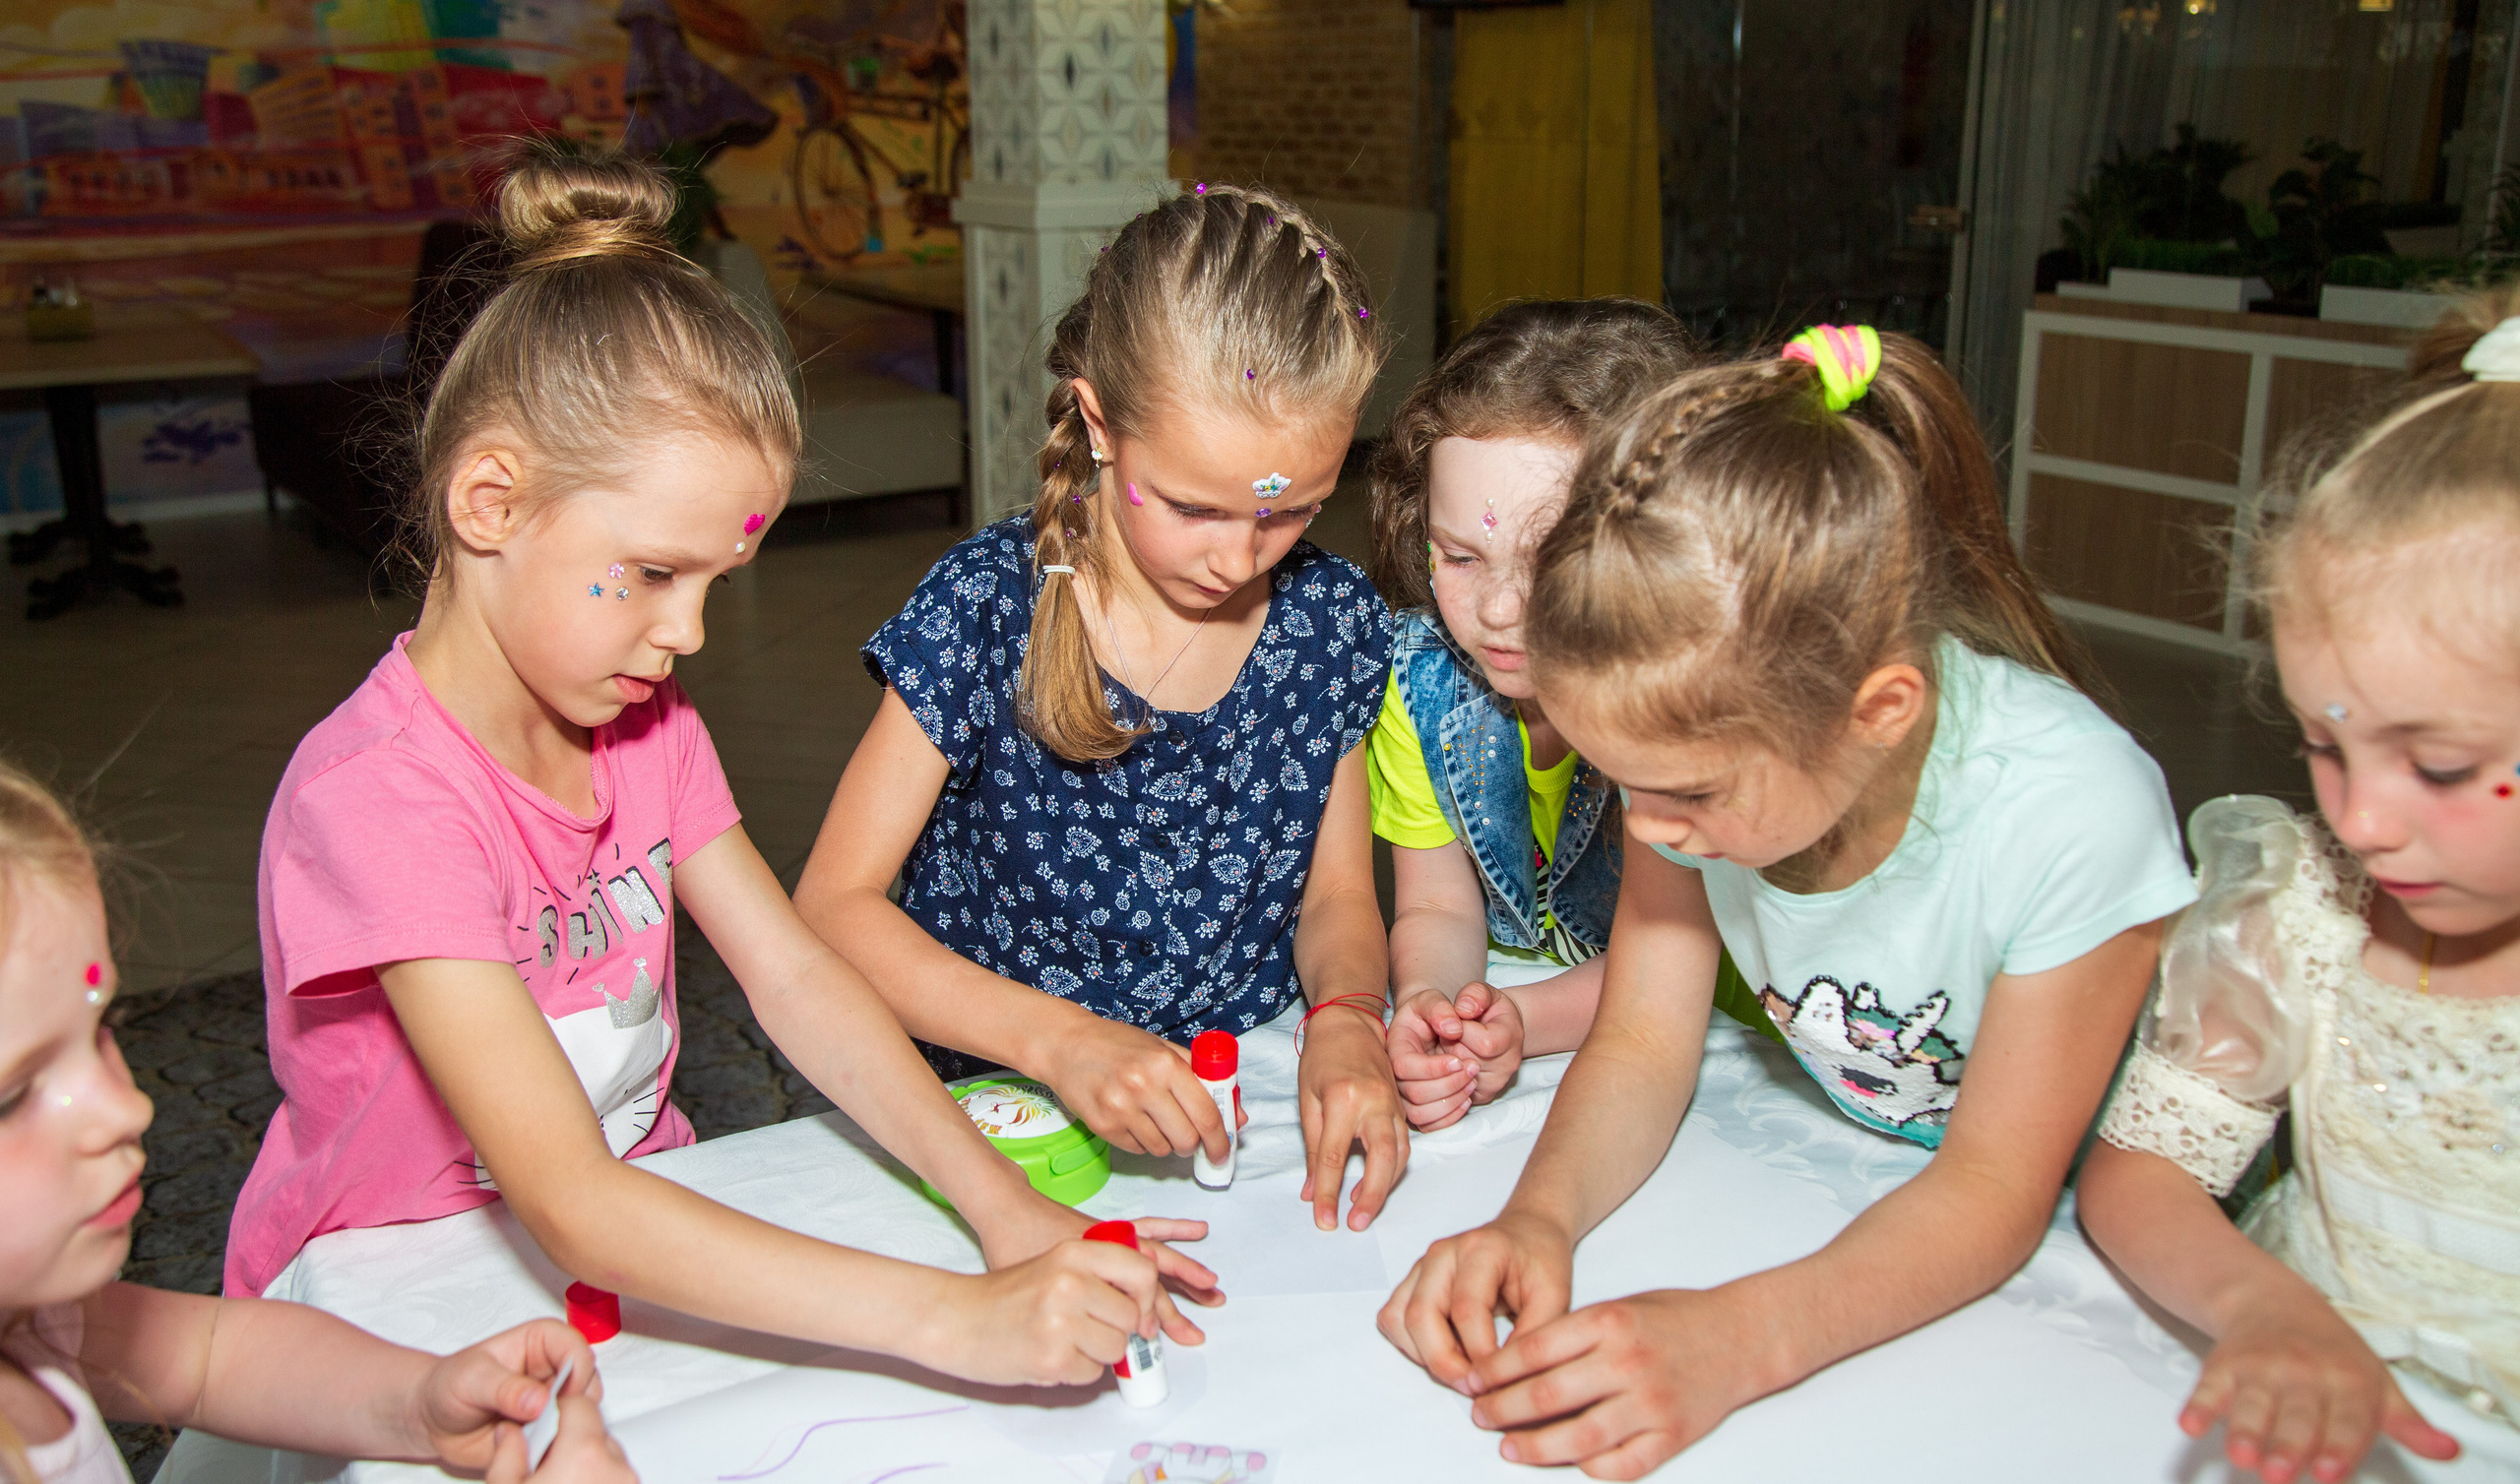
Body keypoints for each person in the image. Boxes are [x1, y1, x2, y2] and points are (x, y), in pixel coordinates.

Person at [228, 147, 1208, 1391]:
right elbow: (572, 1203)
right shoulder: (376, 799)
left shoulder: (645, 719)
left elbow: (796, 977)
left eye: (712, 585)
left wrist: (1001, 1210)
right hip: (398, 1300)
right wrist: (950, 1319)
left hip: (630, 1228)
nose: (685, 633)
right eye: (650, 573)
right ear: (488, 503)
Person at [1379, 324, 2198, 1472]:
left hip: (2104, 1241)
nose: (1650, 832)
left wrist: (1735, 1337)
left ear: (1878, 711)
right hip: (1867, 1187)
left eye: (1689, 797)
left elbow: (1997, 1185)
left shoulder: (2073, 809)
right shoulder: (1693, 753)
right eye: (1627, 785)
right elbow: (1644, 1044)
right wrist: (1536, 1219)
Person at [796, 183, 1410, 1232]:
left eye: (1292, 510)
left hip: (1237, 1099)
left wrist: (1349, 1016)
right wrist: (1059, 1042)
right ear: (1099, 423)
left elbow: (1337, 902)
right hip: (1003, 1112)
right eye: (1196, 508)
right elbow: (828, 914)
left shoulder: (1328, 619)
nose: (1238, 555)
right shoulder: (989, 606)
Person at [2079, 294, 2520, 1484]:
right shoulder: (2304, 908)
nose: (2361, 820)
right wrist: (2261, 1305)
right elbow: (2142, 1174)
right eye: (2326, 747)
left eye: (2436, 766)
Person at [0, 757, 633, 1484]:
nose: (129, 1107)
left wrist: (413, 1401)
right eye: (14, 1093)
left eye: (102, 1026)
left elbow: (211, 1358)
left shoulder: (35, 1318)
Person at [1361, 301, 1775, 1132]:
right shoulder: (1416, 678)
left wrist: (1524, 1022)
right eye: (1461, 555)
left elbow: (1667, 968)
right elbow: (1439, 909)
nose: (1501, 609)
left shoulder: (1692, 699)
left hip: (1720, 1054)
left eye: (1549, 559)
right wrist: (1435, 1009)